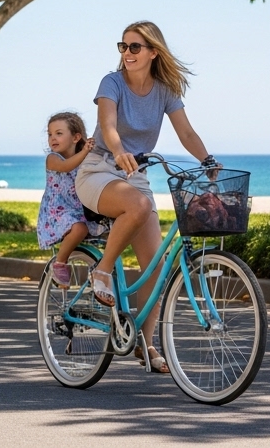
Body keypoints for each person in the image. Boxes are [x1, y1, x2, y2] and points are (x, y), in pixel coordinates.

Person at [74, 20, 218, 374]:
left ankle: (146, 344)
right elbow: (108, 124)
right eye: (123, 47)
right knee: (138, 205)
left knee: (155, 265)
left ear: (154, 51)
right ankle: (102, 271)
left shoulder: (165, 90)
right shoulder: (112, 82)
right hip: (99, 169)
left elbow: (185, 131)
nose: (127, 54)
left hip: (134, 175)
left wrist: (208, 161)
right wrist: (121, 151)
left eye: (134, 47)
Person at [37, 112, 101, 287]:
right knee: (79, 229)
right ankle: (60, 262)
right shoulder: (53, 159)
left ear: (76, 137)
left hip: (78, 209)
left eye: (59, 133)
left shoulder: (85, 158)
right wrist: (86, 151)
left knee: (111, 230)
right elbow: (67, 166)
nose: (52, 138)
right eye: (50, 134)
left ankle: (100, 271)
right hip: (57, 211)